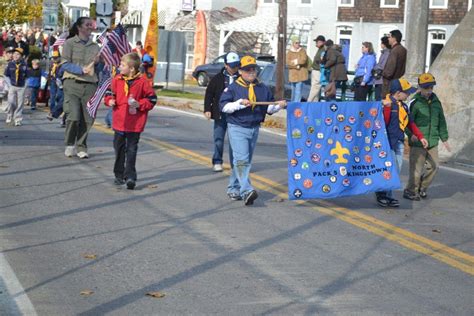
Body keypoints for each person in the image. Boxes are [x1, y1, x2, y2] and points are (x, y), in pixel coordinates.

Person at [220, 55, 286, 205]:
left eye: (253, 69)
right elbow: (224, 107)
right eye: (247, 69)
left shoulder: (262, 88)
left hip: (254, 128)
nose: (251, 72)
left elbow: (269, 107)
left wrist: (279, 105)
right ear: (241, 71)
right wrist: (239, 103)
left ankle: (233, 188)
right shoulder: (233, 88)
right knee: (242, 160)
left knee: (242, 160)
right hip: (237, 127)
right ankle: (246, 190)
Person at [104, 52, 157, 190]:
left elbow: (152, 99)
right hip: (119, 121)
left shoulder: (143, 82)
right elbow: (109, 94)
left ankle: (131, 177)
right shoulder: (116, 80)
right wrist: (110, 101)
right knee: (119, 149)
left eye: (122, 65)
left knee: (132, 150)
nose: (119, 67)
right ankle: (118, 174)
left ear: (132, 68)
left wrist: (140, 104)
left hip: (135, 123)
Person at [375, 78, 428, 208]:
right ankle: (382, 194)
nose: (408, 94)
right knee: (389, 169)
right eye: (407, 92)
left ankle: (388, 194)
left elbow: (410, 123)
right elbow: (383, 123)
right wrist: (386, 108)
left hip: (399, 141)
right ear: (398, 93)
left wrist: (420, 136)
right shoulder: (387, 105)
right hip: (387, 142)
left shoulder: (403, 106)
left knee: (396, 170)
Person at [403, 73, 450, 201]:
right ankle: (410, 190)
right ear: (420, 87)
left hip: (432, 141)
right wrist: (410, 135)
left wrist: (444, 138)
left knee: (434, 167)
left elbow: (441, 121)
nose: (429, 91)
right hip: (418, 141)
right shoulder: (415, 102)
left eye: (431, 88)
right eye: (426, 88)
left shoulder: (436, 102)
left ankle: (422, 188)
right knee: (416, 170)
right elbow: (406, 121)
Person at [61, 17, 100, 158]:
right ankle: (70, 144)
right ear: (79, 27)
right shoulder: (69, 43)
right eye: (87, 24)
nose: (90, 27)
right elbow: (64, 63)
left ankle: (82, 146)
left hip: (90, 85)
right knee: (74, 116)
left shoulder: (95, 46)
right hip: (72, 83)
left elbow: (99, 69)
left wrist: (99, 61)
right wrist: (80, 70)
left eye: (92, 25)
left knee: (88, 118)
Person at [204, 52, 240, 172]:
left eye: (236, 65)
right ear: (226, 65)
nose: (235, 68)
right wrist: (207, 109)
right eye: (232, 65)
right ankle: (217, 161)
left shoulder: (241, 79)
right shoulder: (218, 78)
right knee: (218, 139)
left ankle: (235, 164)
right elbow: (209, 94)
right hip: (220, 114)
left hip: (236, 115)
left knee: (234, 141)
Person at [4, 48, 27, 126]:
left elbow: (27, 76)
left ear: (21, 56)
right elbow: (6, 75)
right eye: (14, 54)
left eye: (18, 54)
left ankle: (18, 118)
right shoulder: (10, 64)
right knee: (11, 102)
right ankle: (9, 115)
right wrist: (9, 84)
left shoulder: (24, 65)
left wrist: (25, 85)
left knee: (20, 103)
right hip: (12, 86)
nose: (15, 56)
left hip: (21, 86)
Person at [382, 30, 406, 97]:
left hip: (390, 84)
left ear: (394, 38)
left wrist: (383, 73)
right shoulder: (403, 49)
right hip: (398, 81)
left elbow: (389, 70)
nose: (388, 39)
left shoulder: (395, 50)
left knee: (388, 104)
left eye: (389, 37)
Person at [286, 36, 308, 103]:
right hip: (292, 75)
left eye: (298, 43)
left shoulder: (302, 51)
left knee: (298, 91)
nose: (297, 44)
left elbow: (303, 60)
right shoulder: (289, 52)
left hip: (300, 75)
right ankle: (292, 104)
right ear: (293, 43)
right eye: (296, 43)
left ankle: (296, 104)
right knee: (293, 91)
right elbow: (288, 62)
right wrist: (296, 66)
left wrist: (295, 61)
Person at [47, 51, 66, 124]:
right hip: (53, 82)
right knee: (53, 97)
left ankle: (57, 113)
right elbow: (50, 73)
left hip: (61, 83)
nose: (54, 59)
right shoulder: (52, 65)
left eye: (56, 58)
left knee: (61, 98)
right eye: (53, 58)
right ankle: (52, 112)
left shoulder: (62, 65)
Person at [308, 35, 325, 102]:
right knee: (315, 90)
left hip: (318, 71)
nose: (316, 43)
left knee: (315, 88)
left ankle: (309, 102)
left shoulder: (323, 50)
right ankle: (315, 105)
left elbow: (322, 60)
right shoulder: (320, 49)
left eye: (317, 42)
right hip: (315, 70)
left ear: (321, 42)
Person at [373, 36, 391, 101]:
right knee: (378, 98)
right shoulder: (384, 53)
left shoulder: (387, 53)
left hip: (382, 80)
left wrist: (375, 67)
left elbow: (383, 66)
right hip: (380, 79)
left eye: (381, 43)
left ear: (384, 44)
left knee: (380, 98)